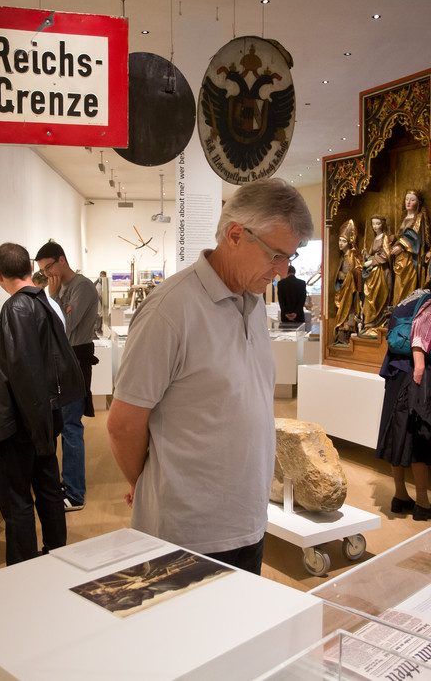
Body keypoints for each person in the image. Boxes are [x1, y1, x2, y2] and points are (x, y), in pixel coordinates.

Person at [107, 178, 313, 574]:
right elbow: (123, 424)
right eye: (276, 255)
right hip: (187, 534)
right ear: (235, 235)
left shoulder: (253, 302)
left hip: (248, 521)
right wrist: (148, 481)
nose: (283, 270)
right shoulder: (170, 310)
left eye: (290, 257)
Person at [0, 243, 85, 564]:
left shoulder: (17, 308)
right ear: (29, 268)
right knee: (47, 489)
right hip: (40, 419)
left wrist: (36, 429)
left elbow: (25, 372)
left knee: (18, 499)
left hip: (23, 425)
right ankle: (56, 556)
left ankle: (23, 569)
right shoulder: (43, 301)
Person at [375, 277, 431, 521]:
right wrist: (420, 369)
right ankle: (422, 502)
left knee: (397, 435)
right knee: (420, 435)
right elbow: (420, 336)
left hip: (396, 374)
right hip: (415, 376)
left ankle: (400, 495)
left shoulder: (408, 299)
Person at [35, 242, 99, 512]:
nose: (47, 273)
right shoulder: (61, 288)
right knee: (62, 424)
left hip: (75, 361)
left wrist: (51, 295)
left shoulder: (82, 287)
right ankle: (66, 485)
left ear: (62, 260)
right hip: (61, 362)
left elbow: (64, 327)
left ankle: (75, 493)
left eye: (49, 267)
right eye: (43, 270)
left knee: (71, 426)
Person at [391, 189, 431, 305]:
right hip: (400, 257)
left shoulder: (419, 217)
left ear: (418, 203)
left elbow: (415, 235)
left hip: (410, 256)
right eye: (407, 199)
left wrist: (401, 246)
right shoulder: (404, 217)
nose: (408, 202)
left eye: (412, 200)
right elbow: (401, 235)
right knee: (398, 283)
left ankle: (405, 307)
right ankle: (397, 306)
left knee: (406, 282)